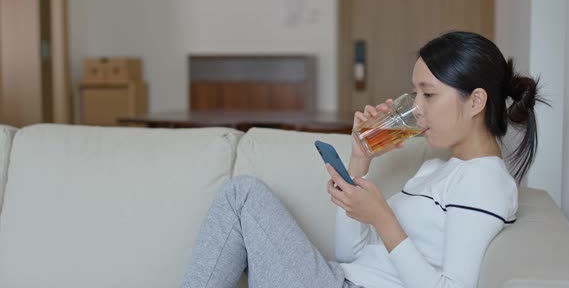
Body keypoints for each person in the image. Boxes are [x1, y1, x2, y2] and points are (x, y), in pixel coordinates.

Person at [181, 31, 547, 288]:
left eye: (429, 95)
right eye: (415, 93)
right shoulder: (438, 167)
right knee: (243, 195)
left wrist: (383, 218)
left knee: (242, 196)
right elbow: (349, 254)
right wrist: (360, 159)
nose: (416, 108)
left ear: (476, 101)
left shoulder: (484, 181)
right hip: (341, 276)